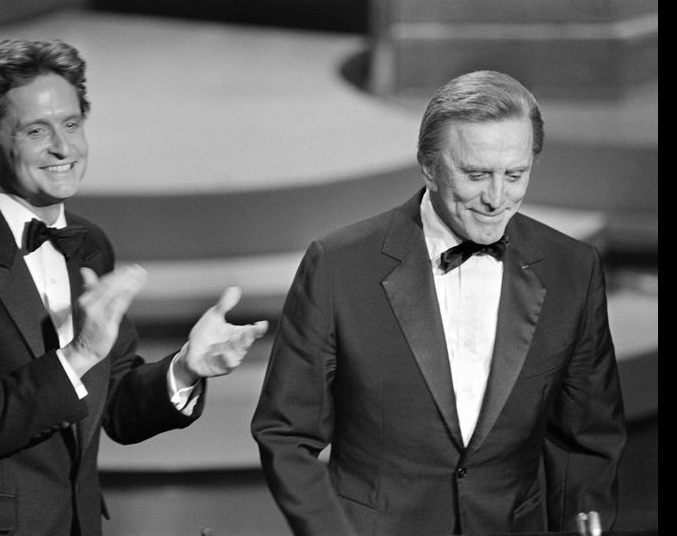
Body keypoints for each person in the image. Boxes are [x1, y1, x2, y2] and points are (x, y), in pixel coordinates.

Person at [0, 38, 268, 536]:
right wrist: (79, 354)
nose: (64, 148)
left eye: (72, 124)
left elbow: (115, 406)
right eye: (37, 130)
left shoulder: (89, 245)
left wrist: (185, 368)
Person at [251, 70, 626, 535]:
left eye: (515, 175)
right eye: (476, 174)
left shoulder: (573, 269)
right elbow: (286, 434)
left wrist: (581, 524)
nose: (496, 198)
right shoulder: (339, 266)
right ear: (428, 165)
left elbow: (586, 437)